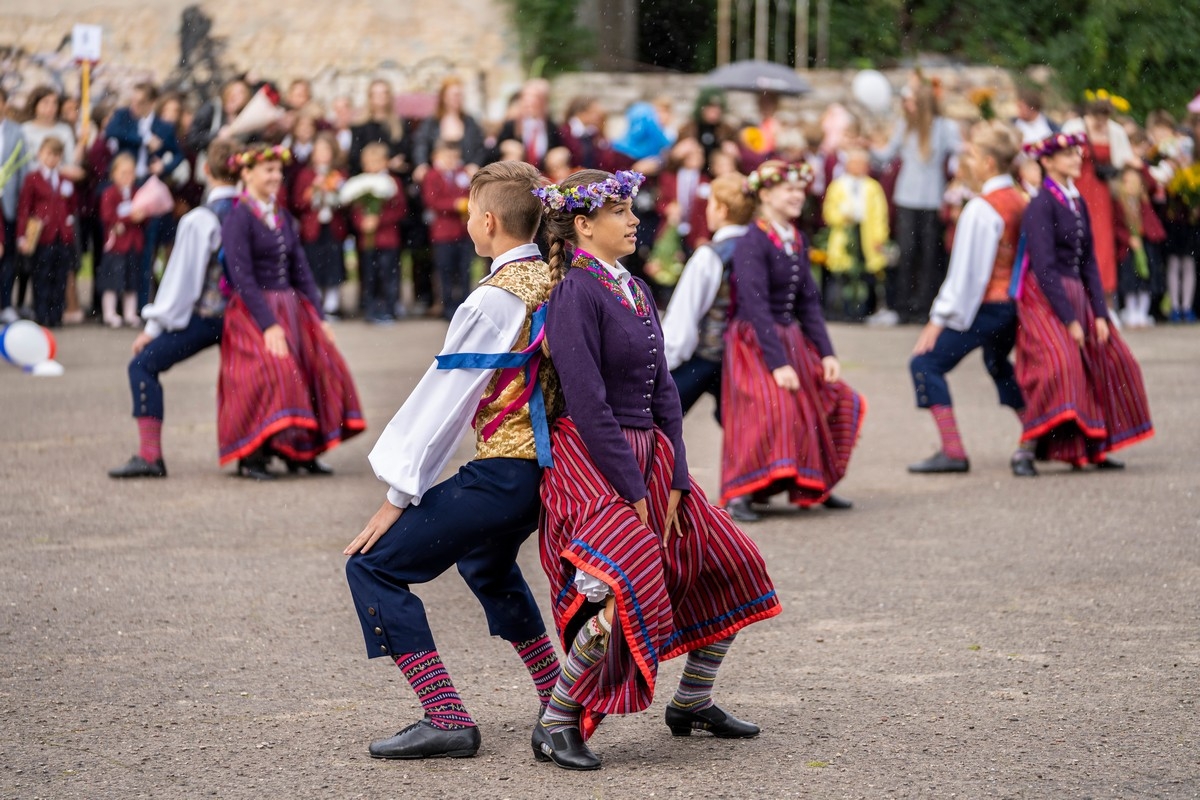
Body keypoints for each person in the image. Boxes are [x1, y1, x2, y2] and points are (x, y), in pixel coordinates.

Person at [533, 168, 781, 771]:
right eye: (619, 211)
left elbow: (665, 390)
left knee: (733, 562)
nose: (634, 219)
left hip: (649, 456)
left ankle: (692, 701)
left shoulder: (636, 288)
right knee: (625, 579)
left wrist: (673, 474)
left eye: (630, 209)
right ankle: (556, 719)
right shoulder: (574, 294)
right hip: (592, 460)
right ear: (585, 226)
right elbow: (588, 404)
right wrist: (630, 484)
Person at [343, 161, 564, 761]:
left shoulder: (492, 300)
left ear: (487, 221)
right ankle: (555, 697)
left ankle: (445, 716)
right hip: (547, 471)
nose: (467, 223)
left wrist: (397, 496)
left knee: (373, 566)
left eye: (470, 214)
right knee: (485, 564)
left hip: (507, 472)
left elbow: (444, 401)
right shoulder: (556, 278)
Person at [720, 161, 865, 522]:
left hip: (790, 338)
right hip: (753, 340)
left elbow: (808, 302)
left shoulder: (796, 238)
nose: (798, 196)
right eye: (790, 190)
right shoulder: (752, 241)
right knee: (772, 408)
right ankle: (742, 492)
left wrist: (827, 352)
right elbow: (754, 306)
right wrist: (778, 363)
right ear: (766, 194)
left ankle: (817, 483)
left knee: (829, 401)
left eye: (801, 190)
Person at [216, 144, 366, 479]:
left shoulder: (281, 215)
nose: (275, 177)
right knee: (272, 373)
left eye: (277, 171)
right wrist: (268, 325)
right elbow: (242, 278)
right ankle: (252, 456)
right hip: (253, 311)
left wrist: (319, 316)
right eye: (267, 170)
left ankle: (301, 451)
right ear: (246, 173)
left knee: (319, 368)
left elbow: (300, 267)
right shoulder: (238, 217)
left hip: (291, 305)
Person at [1012, 132, 1154, 473]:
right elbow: (1043, 268)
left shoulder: (1078, 202)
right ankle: (1025, 449)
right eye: (1066, 154)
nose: (1077, 158)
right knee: (1061, 366)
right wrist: (1070, 320)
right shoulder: (1041, 204)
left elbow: (1088, 261)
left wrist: (1100, 314)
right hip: (1042, 297)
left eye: (1077, 153)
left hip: (1075, 290)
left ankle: (1093, 445)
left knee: (1112, 359)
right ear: (1046, 162)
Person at [107, 140, 241, 479]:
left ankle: (150, 456)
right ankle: (256, 453)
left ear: (206, 171)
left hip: (209, 317)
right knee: (243, 379)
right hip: (246, 319)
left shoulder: (201, 219)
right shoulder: (252, 211)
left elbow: (181, 283)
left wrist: (154, 328)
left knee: (142, 365)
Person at [907, 122, 1028, 475]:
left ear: (988, 162)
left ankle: (953, 451)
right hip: (1013, 305)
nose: (968, 162)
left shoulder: (981, 208)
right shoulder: (1020, 199)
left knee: (924, 363)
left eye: (973, 155)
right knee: (997, 362)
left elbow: (968, 276)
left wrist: (939, 320)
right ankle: (1035, 434)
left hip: (989, 306)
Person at [661, 172, 754, 417]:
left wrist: (666, 361)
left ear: (722, 210)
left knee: (659, 420)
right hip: (747, 358)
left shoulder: (710, 255)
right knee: (743, 430)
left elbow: (684, 315)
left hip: (706, 357)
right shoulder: (760, 250)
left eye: (711, 203)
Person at [872, 82, 962, 323]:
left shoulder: (945, 128)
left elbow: (960, 153)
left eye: (911, 101)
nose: (906, 106)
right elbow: (885, 155)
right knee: (907, 250)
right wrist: (868, 145)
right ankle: (903, 305)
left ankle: (926, 304)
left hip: (932, 198)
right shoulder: (905, 126)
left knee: (930, 254)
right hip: (907, 197)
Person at [1062, 95, 1137, 304]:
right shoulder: (1074, 127)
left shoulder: (1114, 131)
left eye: (1105, 119)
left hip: (1102, 192)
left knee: (1102, 239)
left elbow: (1123, 158)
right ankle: (1078, 288)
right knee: (1078, 233)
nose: (1101, 123)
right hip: (1078, 186)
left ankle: (1104, 292)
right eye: (1098, 118)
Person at [821, 147, 890, 322]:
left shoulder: (873, 187)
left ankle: (864, 309)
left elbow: (880, 214)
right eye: (855, 163)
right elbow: (829, 211)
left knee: (866, 272)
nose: (858, 167)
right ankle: (842, 309)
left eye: (862, 164)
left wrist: (880, 237)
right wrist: (842, 217)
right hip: (845, 232)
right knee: (843, 272)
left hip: (866, 233)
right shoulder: (838, 185)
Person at [16, 137, 77, 328]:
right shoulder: (32, 179)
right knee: (41, 275)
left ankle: (56, 314)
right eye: (49, 154)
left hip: (61, 235)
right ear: (41, 153)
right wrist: (21, 236)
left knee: (60, 276)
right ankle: (41, 314)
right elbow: (24, 209)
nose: (52, 159)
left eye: (56, 155)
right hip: (42, 236)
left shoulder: (65, 180)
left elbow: (71, 206)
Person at [291, 131, 348, 318]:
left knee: (333, 261)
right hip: (312, 228)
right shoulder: (306, 175)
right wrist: (313, 191)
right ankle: (316, 302)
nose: (322, 154)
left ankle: (333, 303)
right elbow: (298, 202)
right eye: (319, 150)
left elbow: (346, 200)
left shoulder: (339, 174)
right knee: (314, 262)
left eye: (326, 150)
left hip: (333, 226)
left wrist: (334, 191)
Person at [350, 142, 406, 323]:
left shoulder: (392, 182)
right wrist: (363, 223)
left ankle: (389, 308)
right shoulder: (360, 183)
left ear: (385, 162)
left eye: (376, 161)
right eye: (368, 162)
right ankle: (371, 309)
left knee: (388, 274)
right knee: (369, 275)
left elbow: (400, 209)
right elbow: (356, 209)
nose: (372, 166)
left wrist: (379, 220)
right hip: (367, 239)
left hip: (388, 238)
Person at [422, 141, 475, 320]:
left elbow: (471, 194)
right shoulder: (432, 176)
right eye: (446, 157)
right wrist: (454, 204)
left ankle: (466, 304)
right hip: (443, 232)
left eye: (454, 157)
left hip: (463, 230)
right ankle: (448, 306)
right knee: (445, 270)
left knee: (464, 269)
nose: (451, 160)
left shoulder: (463, 174)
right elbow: (432, 201)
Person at [97, 153, 147, 328]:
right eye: (123, 173)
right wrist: (130, 218)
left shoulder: (137, 193)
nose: (127, 177)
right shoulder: (109, 194)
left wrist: (141, 217)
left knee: (132, 281)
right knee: (112, 280)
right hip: (116, 245)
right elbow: (108, 216)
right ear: (114, 174)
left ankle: (129, 313)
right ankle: (109, 313)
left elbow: (143, 216)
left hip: (133, 244)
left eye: (131, 173)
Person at [1115, 165, 1166, 329]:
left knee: (1145, 280)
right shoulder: (1119, 203)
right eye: (1126, 182)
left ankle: (1142, 312)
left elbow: (1152, 183)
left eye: (1133, 182)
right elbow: (1116, 225)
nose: (1129, 186)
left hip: (1144, 246)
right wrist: (1128, 238)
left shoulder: (1144, 201)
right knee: (1130, 281)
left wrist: (1141, 166)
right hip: (1128, 249)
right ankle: (1131, 312)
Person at [411, 77, 487, 178]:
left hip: (464, 175)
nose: (457, 98)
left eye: (460, 95)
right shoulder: (432, 122)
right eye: (454, 95)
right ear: (444, 97)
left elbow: (480, 147)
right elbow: (421, 144)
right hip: (437, 175)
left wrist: (474, 164)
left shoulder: (469, 122)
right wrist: (422, 164)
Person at [0, 88, 30, 324]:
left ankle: (6, 304)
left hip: (8, 204)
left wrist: (22, 205)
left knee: (9, 256)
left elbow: (23, 170)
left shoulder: (16, 132)